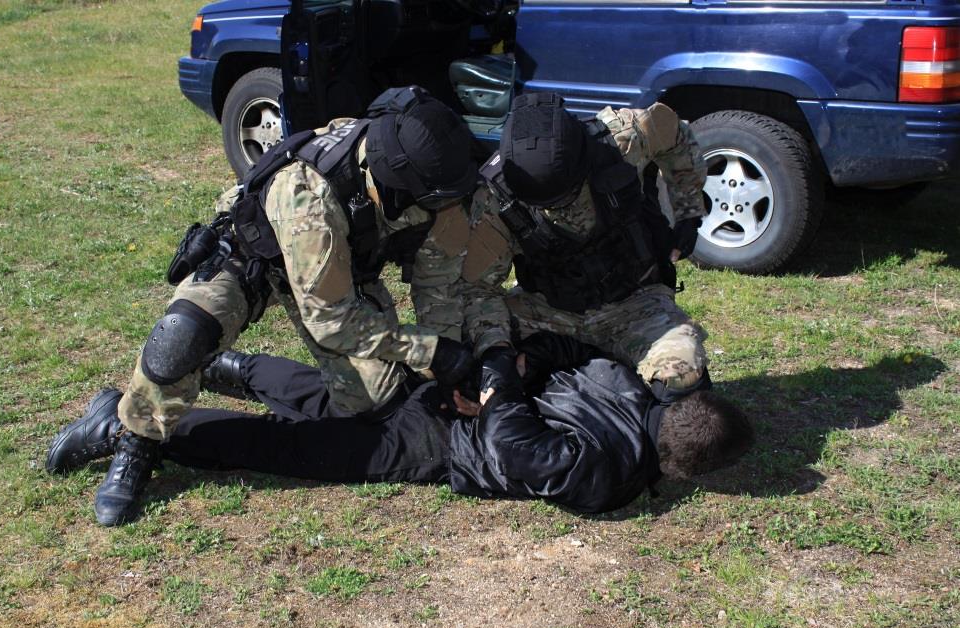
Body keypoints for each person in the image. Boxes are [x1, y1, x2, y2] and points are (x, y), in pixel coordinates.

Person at [86, 86, 478, 526]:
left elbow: (439, 284)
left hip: (340, 274)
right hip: (254, 256)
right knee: (180, 340)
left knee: (376, 405)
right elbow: (331, 321)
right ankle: (132, 438)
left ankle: (226, 369)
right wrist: (432, 351)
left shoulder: (435, 183)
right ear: (396, 175)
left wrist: (448, 368)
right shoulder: (311, 195)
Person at [46, 334, 754, 516]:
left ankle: (233, 364)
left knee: (339, 404)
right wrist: (500, 382)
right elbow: (517, 445)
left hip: (449, 402)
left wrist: (508, 372)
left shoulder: (626, 385)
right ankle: (125, 426)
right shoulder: (610, 475)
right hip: (444, 436)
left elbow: (562, 356)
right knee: (293, 446)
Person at [461, 92, 710, 408]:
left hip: (636, 304)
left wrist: (688, 212)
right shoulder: (495, 198)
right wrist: (496, 354)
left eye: (563, 198)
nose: (557, 209)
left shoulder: (622, 139)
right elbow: (480, 290)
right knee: (470, 363)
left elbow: (678, 136)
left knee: (682, 376)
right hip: (551, 312)